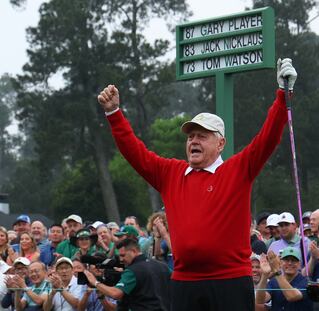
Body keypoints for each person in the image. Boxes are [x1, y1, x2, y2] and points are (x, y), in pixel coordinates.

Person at [97, 57, 297, 310]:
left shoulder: (237, 169)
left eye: (202, 136)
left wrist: (283, 95)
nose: (193, 141)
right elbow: (135, 153)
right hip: (184, 282)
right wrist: (114, 114)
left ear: (220, 143)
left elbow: (267, 137)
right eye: (190, 136)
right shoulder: (171, 173)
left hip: (231, 281)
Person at [83, 238, 171, 311]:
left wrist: (95, 282)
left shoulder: (132, 271)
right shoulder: (163, 266)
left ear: (133, 251)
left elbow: (116, 294)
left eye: (123, 255)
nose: (120, 259)